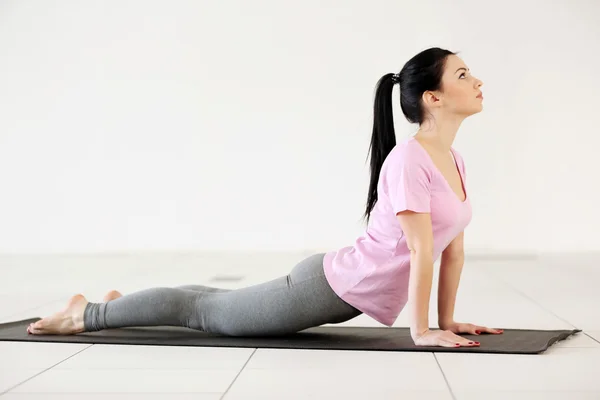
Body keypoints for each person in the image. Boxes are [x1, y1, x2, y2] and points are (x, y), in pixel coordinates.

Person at [27, 47, 503, 348]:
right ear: (432, 98)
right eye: (463, 75)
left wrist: (448, 321)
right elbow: (422, 251)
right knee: (205, 313)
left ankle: (122, 303)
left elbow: (452, 250)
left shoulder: (454, 161)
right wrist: (421, 333)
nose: (477, 81)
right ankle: (86, 314)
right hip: (327, 287)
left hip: (337, 284)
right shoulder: (408, 161)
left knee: (216, 301)